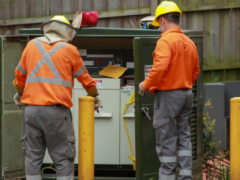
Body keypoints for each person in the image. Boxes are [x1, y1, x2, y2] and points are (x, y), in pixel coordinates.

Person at [13, 15, 100, 180]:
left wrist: (20, 93)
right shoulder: (70, 50)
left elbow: (19, 76)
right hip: (57, 114)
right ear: (68, 31)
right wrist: (95, 95)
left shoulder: (31, 45)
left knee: (32, 158)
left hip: (31, 112)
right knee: (63, 158)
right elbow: (86, 79)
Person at [139, 1, 200, 180]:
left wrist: (145, 84)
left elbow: (159, 68)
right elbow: (195, 71)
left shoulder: (164, 41)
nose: (159, 27)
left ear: (163, 20)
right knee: (184, 138)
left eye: (158, 24)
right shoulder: (189, 42)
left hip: (168, 96)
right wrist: (183, 82)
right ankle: (185, 177)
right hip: (186, 95)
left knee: (166, 141)